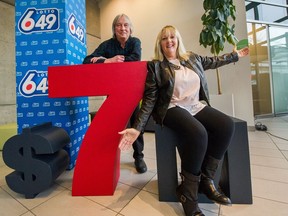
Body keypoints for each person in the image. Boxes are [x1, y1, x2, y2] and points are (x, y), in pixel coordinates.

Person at [119, 25, 249, 216]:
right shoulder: (156, 66)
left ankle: (206, 179)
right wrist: (137, 128)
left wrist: (234, 55)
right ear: (160, 44)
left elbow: (214, 61)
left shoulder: (192, 58)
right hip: (172, 108)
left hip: (195, 105)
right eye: (164, 38)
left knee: (226, 125)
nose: (169, 41)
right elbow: (149, 99)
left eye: (172, 37)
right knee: (199, 133)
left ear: (178, 40)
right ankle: (188, 195)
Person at [83, 14, 147, 174]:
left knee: (135, 124)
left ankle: (139, 156)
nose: (122, 28)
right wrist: (107, 61)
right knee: (111, 125)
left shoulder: (135, 42)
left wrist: (114, 60)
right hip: (113, 92)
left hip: (132, 90)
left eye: (126, 25)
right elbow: (87, 60)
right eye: (118, 25)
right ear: (114, 28)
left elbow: (135, 59)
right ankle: (108, 157)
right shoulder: (107, 44)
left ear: (130, 29)